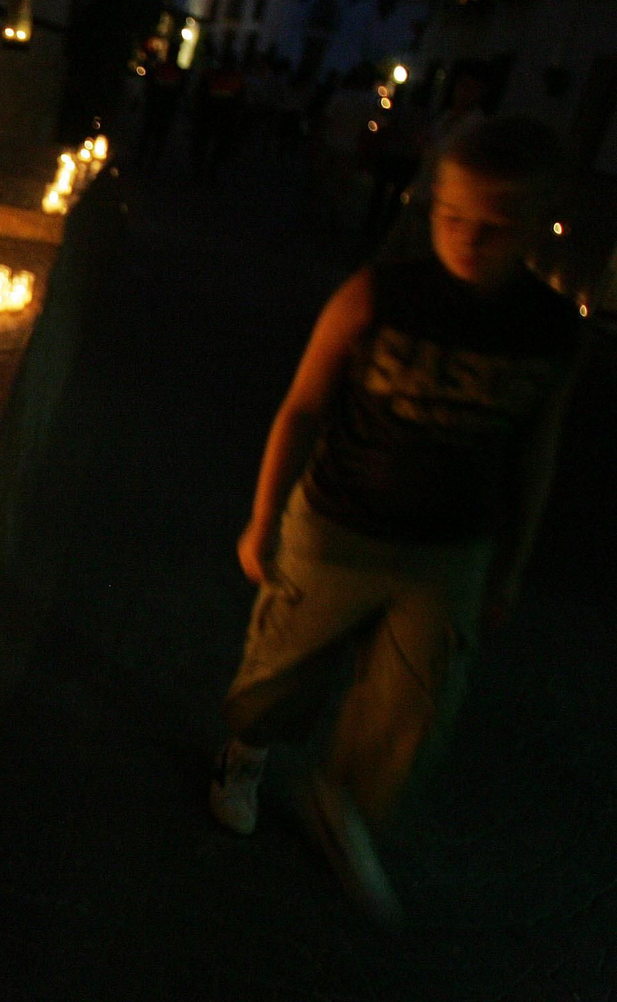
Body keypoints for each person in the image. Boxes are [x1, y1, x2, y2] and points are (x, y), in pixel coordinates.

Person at [208, 115, 584, 924]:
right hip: (340, 522)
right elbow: (302, 408)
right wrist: (263, 516)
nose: (469, 239)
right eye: (453, 217)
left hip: (454, 548)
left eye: (495, 226)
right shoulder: (379, 293)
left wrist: (509, 565)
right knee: (283, 664)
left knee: (416, 701)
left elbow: (535, 453)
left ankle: (342, 801)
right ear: (432, 202)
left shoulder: (552, 331)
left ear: (535, 223)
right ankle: (246, 752)